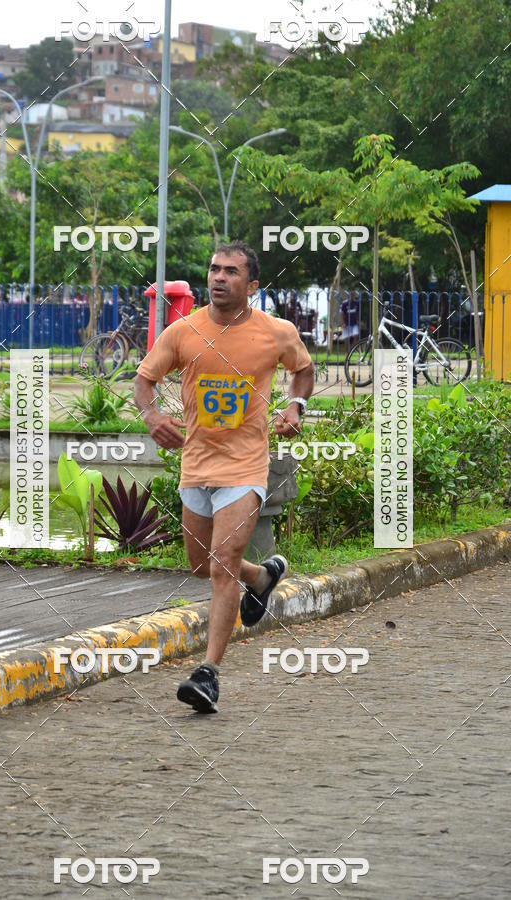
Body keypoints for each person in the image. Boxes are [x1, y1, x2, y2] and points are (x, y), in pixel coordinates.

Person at [134, 241, 314, 714]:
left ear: (251, 285)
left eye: (231, 272)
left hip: (245, 464)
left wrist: (296, 405)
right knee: (201, 564)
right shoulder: (183, 331)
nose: (218, 278)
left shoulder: (275, 333)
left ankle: (208, 673)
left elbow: (304, 369)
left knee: (221, 563)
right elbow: (144, 379)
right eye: (214, 269)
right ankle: (262, 577)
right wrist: (152, 416)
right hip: (197, 464)